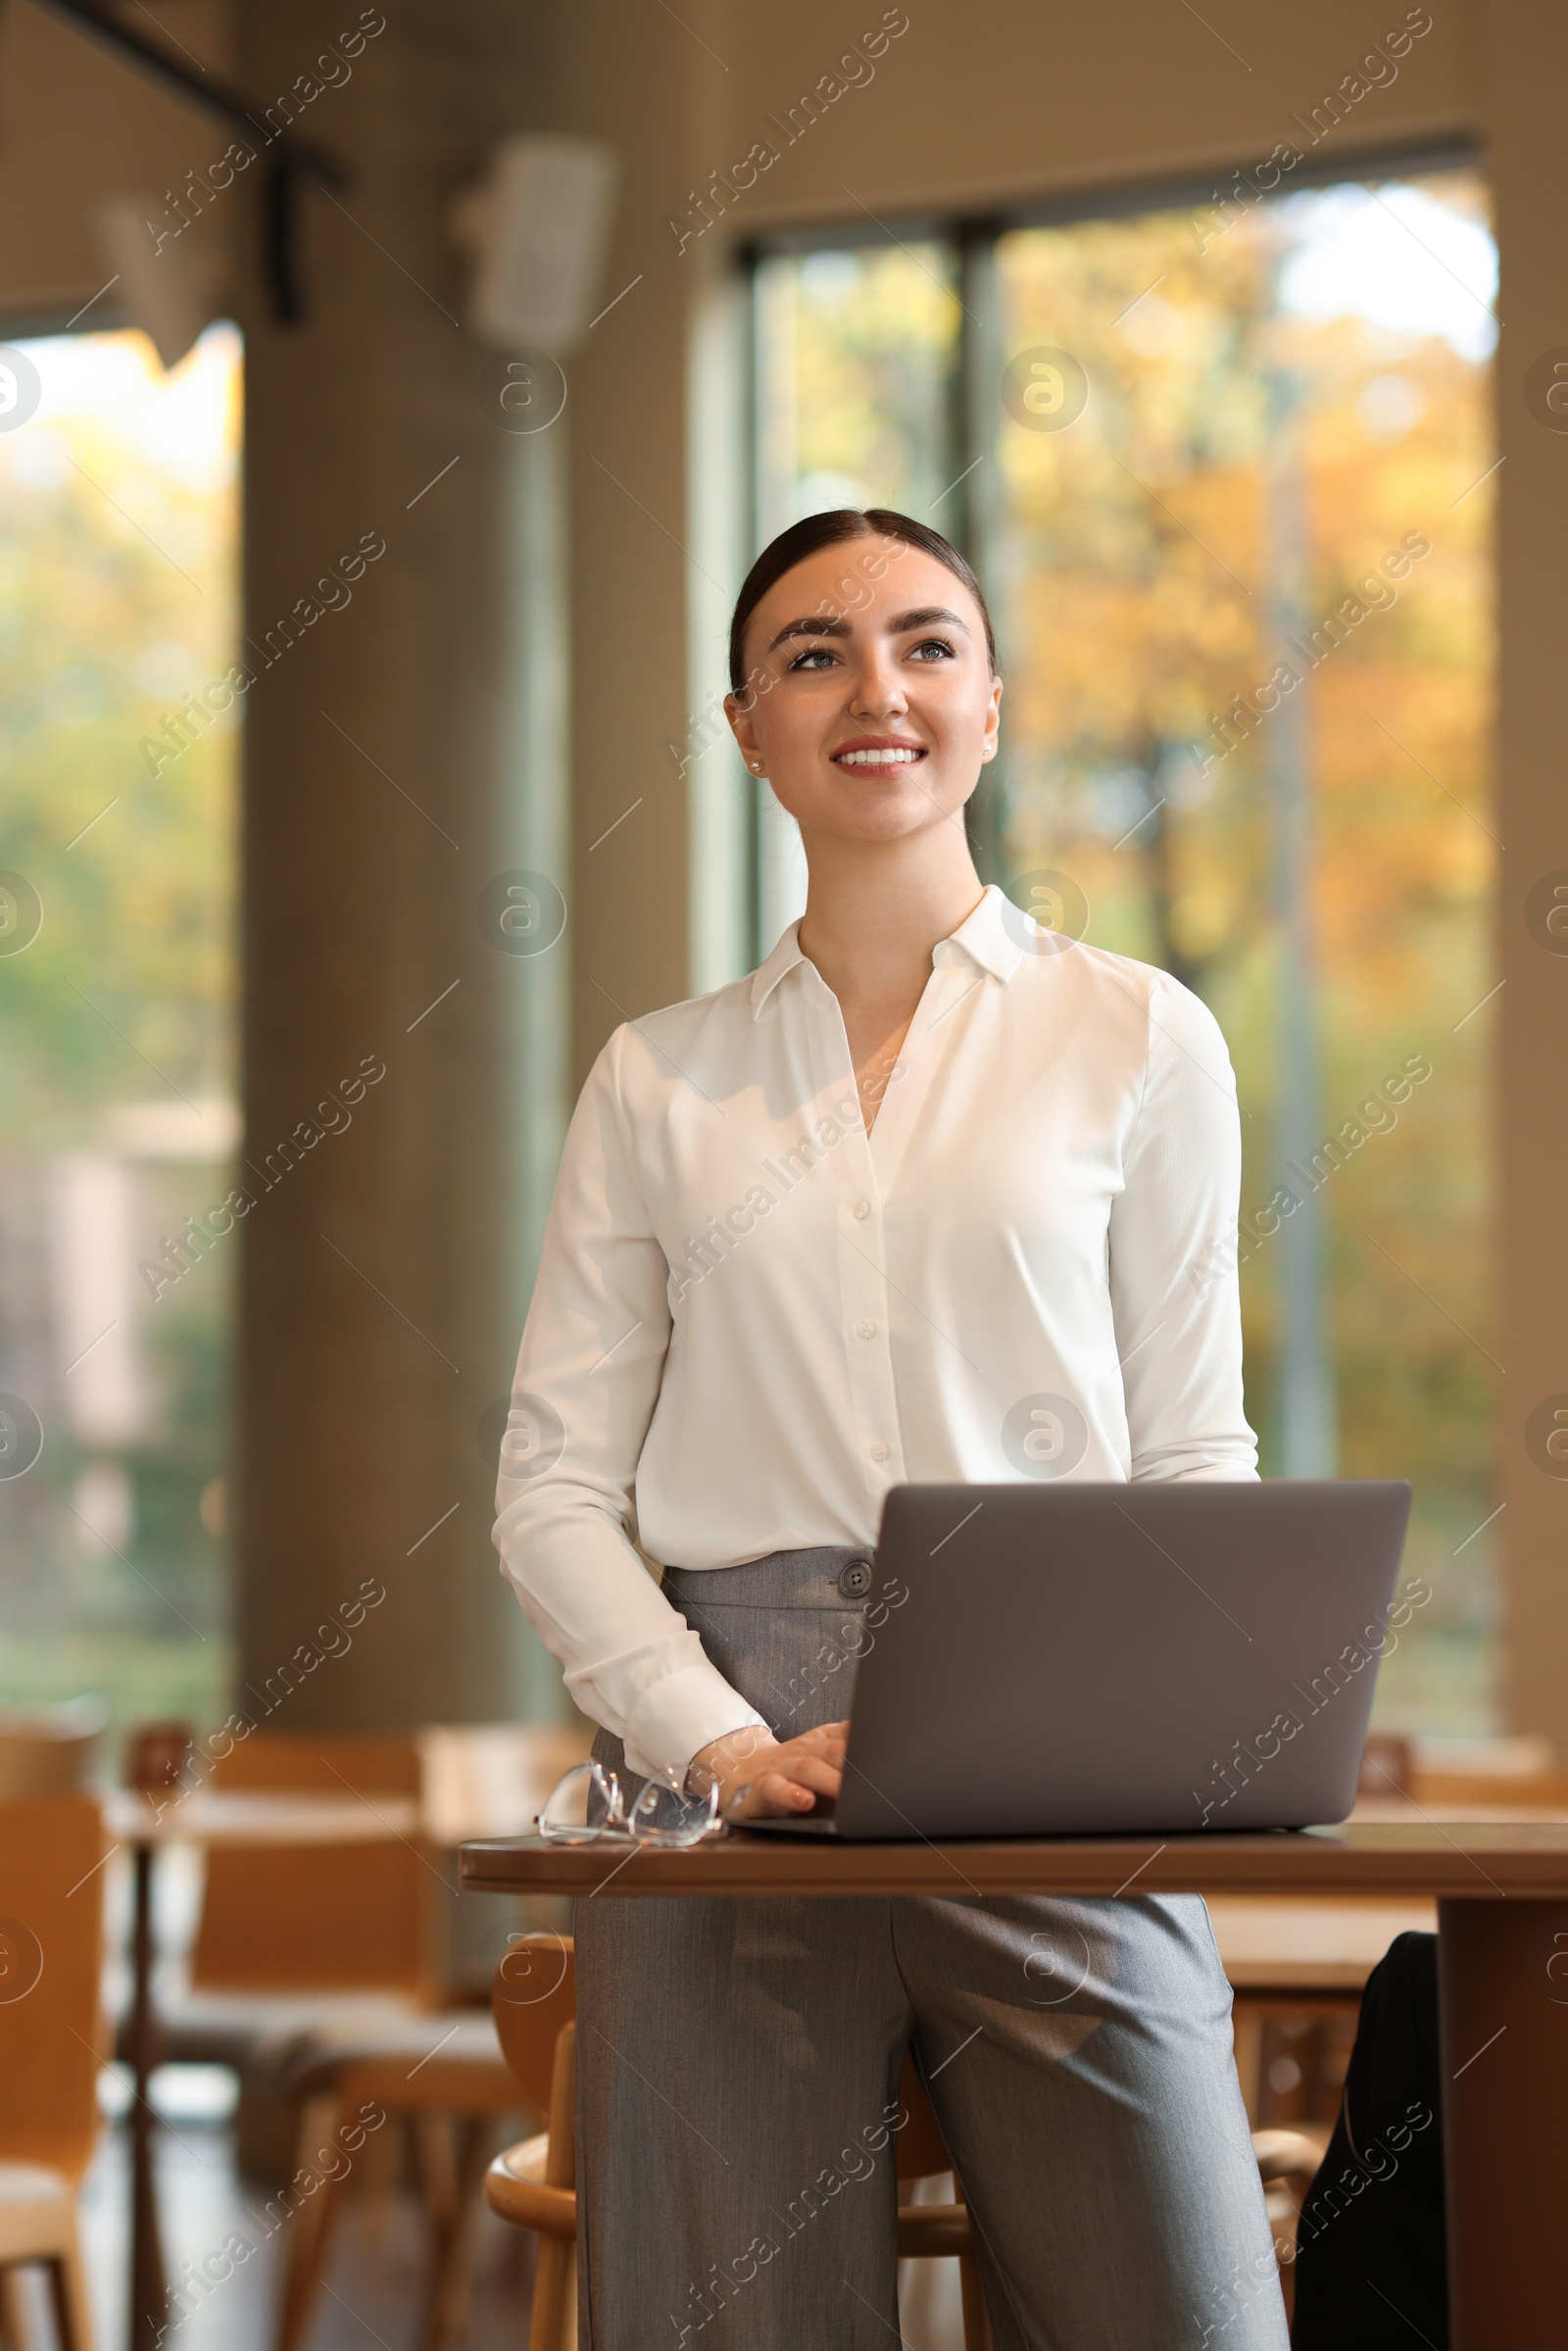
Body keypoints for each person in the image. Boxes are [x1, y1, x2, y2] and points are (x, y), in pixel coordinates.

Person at [493, 508, 1286, 2348]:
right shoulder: (656, 1075)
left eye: (929, 645)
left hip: (1053, 1732)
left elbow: (1191, 1462)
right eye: (814, 653)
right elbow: (548, 1489)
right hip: (723, 1753)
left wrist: (1157, 1725)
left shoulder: (1138, 1037)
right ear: (745, 725)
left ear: (990, 706)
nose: (880, 690)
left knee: (1190, 2316)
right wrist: (711, 1742)